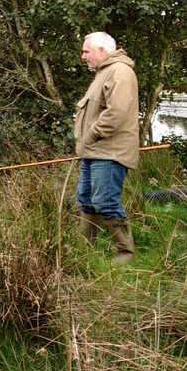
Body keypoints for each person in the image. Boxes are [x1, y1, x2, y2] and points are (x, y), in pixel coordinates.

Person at [74, 31, 140, 263]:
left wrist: (90, 135)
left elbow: (116, 112)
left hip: (110, 152)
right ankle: (85, 251)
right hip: (94, 151)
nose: (83, 56)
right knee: (87, 199)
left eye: (86, 51)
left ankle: (126, 253)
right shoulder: (104, 72)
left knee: (106, 201)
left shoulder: (120, 72)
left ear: (102, 51)